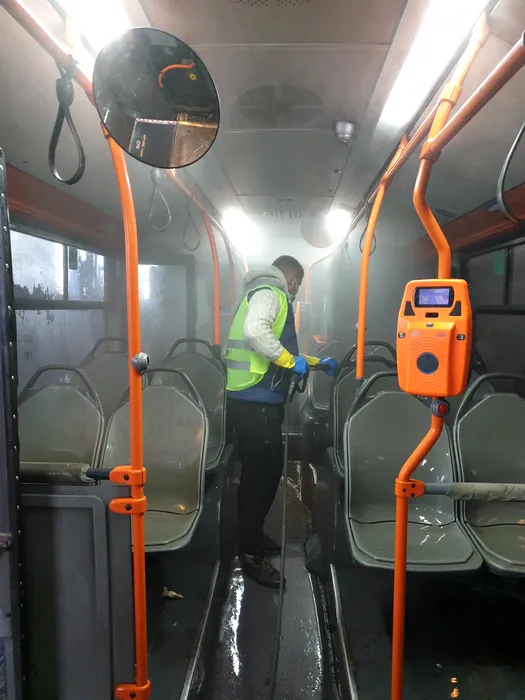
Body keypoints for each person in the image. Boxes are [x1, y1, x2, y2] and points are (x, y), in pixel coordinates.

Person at [225, 255, 338, 587]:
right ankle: (250, 552)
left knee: (266, 472)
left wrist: (315, 363)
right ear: (291, 278)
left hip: (255, 400)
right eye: (298, 283)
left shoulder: (259, 293)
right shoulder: (270, 293)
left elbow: (276, 348)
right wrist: (291, 362)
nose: (297, 290)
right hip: (255, 401)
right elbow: (255, 334)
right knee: (259, 477)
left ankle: (253, 534)